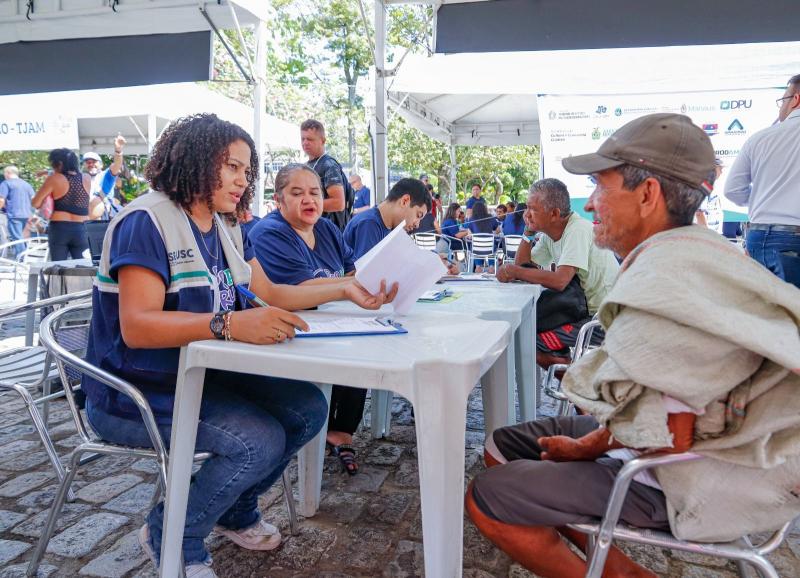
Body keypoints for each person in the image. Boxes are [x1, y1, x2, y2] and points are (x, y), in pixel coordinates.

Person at [467, 113, 800, 578]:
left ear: (648, 195)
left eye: (601, 188)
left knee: (487, 496)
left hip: (698, 476)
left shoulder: (665, 277)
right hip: (707, 445)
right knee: (502, 444)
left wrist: (593, 446)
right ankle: (616, 564)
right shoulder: (695, 250)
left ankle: (615, 574)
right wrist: (590, 445)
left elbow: (668, 435)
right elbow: (663, 398)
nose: (590, 206)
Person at [82, 114, 395, 577]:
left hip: (202, 374)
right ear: (192, 160)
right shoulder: (146, 220)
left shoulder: (224, 224)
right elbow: (139, 327)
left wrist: (346, 289)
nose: (240, 180)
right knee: (258, 441)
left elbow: (273, 294)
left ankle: (232, 510)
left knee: (308, 409)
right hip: (134, 391)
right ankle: (174, 533)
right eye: (230, 166)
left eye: (245, 171)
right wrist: (229, 323)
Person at [250, 164, 399, 475]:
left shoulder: (328, 229)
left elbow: (350, 273)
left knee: (367, 342)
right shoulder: (269, 233)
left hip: (330, 324)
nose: (309, 200)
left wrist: (387, 278)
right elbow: (293, 290)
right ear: (279, 201)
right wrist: (348, 289)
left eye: (315, 193)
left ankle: (342, 429)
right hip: (289, 335)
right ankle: (318, 429)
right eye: (297, 193)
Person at [496, 179, 619, 367]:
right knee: (527, 331)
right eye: (526, 208)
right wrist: (528, 233)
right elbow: (523, 266)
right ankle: (570, 376)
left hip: (601, 319)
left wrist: (515, 271)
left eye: (532, 209)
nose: (526, 214)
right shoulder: (550, 236)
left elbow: (560, 280)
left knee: (528, 342)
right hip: (579, 310)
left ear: (554, 214)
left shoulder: (577, 230)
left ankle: (576, 387)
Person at [724, 74, 800, 284]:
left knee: (768, 311)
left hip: (763, 237)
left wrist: (765, 197)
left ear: (796, 99)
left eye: (783, 100)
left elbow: (733, 190)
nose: (780, 108)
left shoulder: (760, 138)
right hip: (786, 238)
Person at [343, 178, 429, 260]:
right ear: (405, 201)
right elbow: (366, 273)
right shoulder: (369, 224)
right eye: (418, 215)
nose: (417, 225)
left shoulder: (391, 227)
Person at [31, 149, 91, 260]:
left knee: (57, 268)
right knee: (84, 268)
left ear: (59, 164)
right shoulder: (87, 178)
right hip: (82, 227)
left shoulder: (54, 178)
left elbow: (35, 203)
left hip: (60, 228)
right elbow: (70, 175)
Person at [301, 119, 353, 230]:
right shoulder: (307, 165)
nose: (305, 142)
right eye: (303, 139)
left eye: (310, 139)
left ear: (323, 141)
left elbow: (338, 203)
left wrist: (304, 206)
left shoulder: (329, 165)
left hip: (327, 232)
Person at [83, 134, 127, 220]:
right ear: (84, 165)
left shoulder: (105, 175)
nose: (91, 164)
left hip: (102, 221)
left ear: (101, 165)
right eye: (88, 162)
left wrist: (118, 151)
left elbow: (116, 166)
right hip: (84, 223)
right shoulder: (81, 178)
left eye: (94, 162)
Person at [0, 166, 35, 256]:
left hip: (14, 214)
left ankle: (22, 258)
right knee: (22, 237)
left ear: (8, 173)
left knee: (17, 238)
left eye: (4, 173)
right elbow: (33, 199)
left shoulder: (6, 183)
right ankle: (23, 257)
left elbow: (1, 200)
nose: (4, 175)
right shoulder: (26, 184)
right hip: (27, 215)